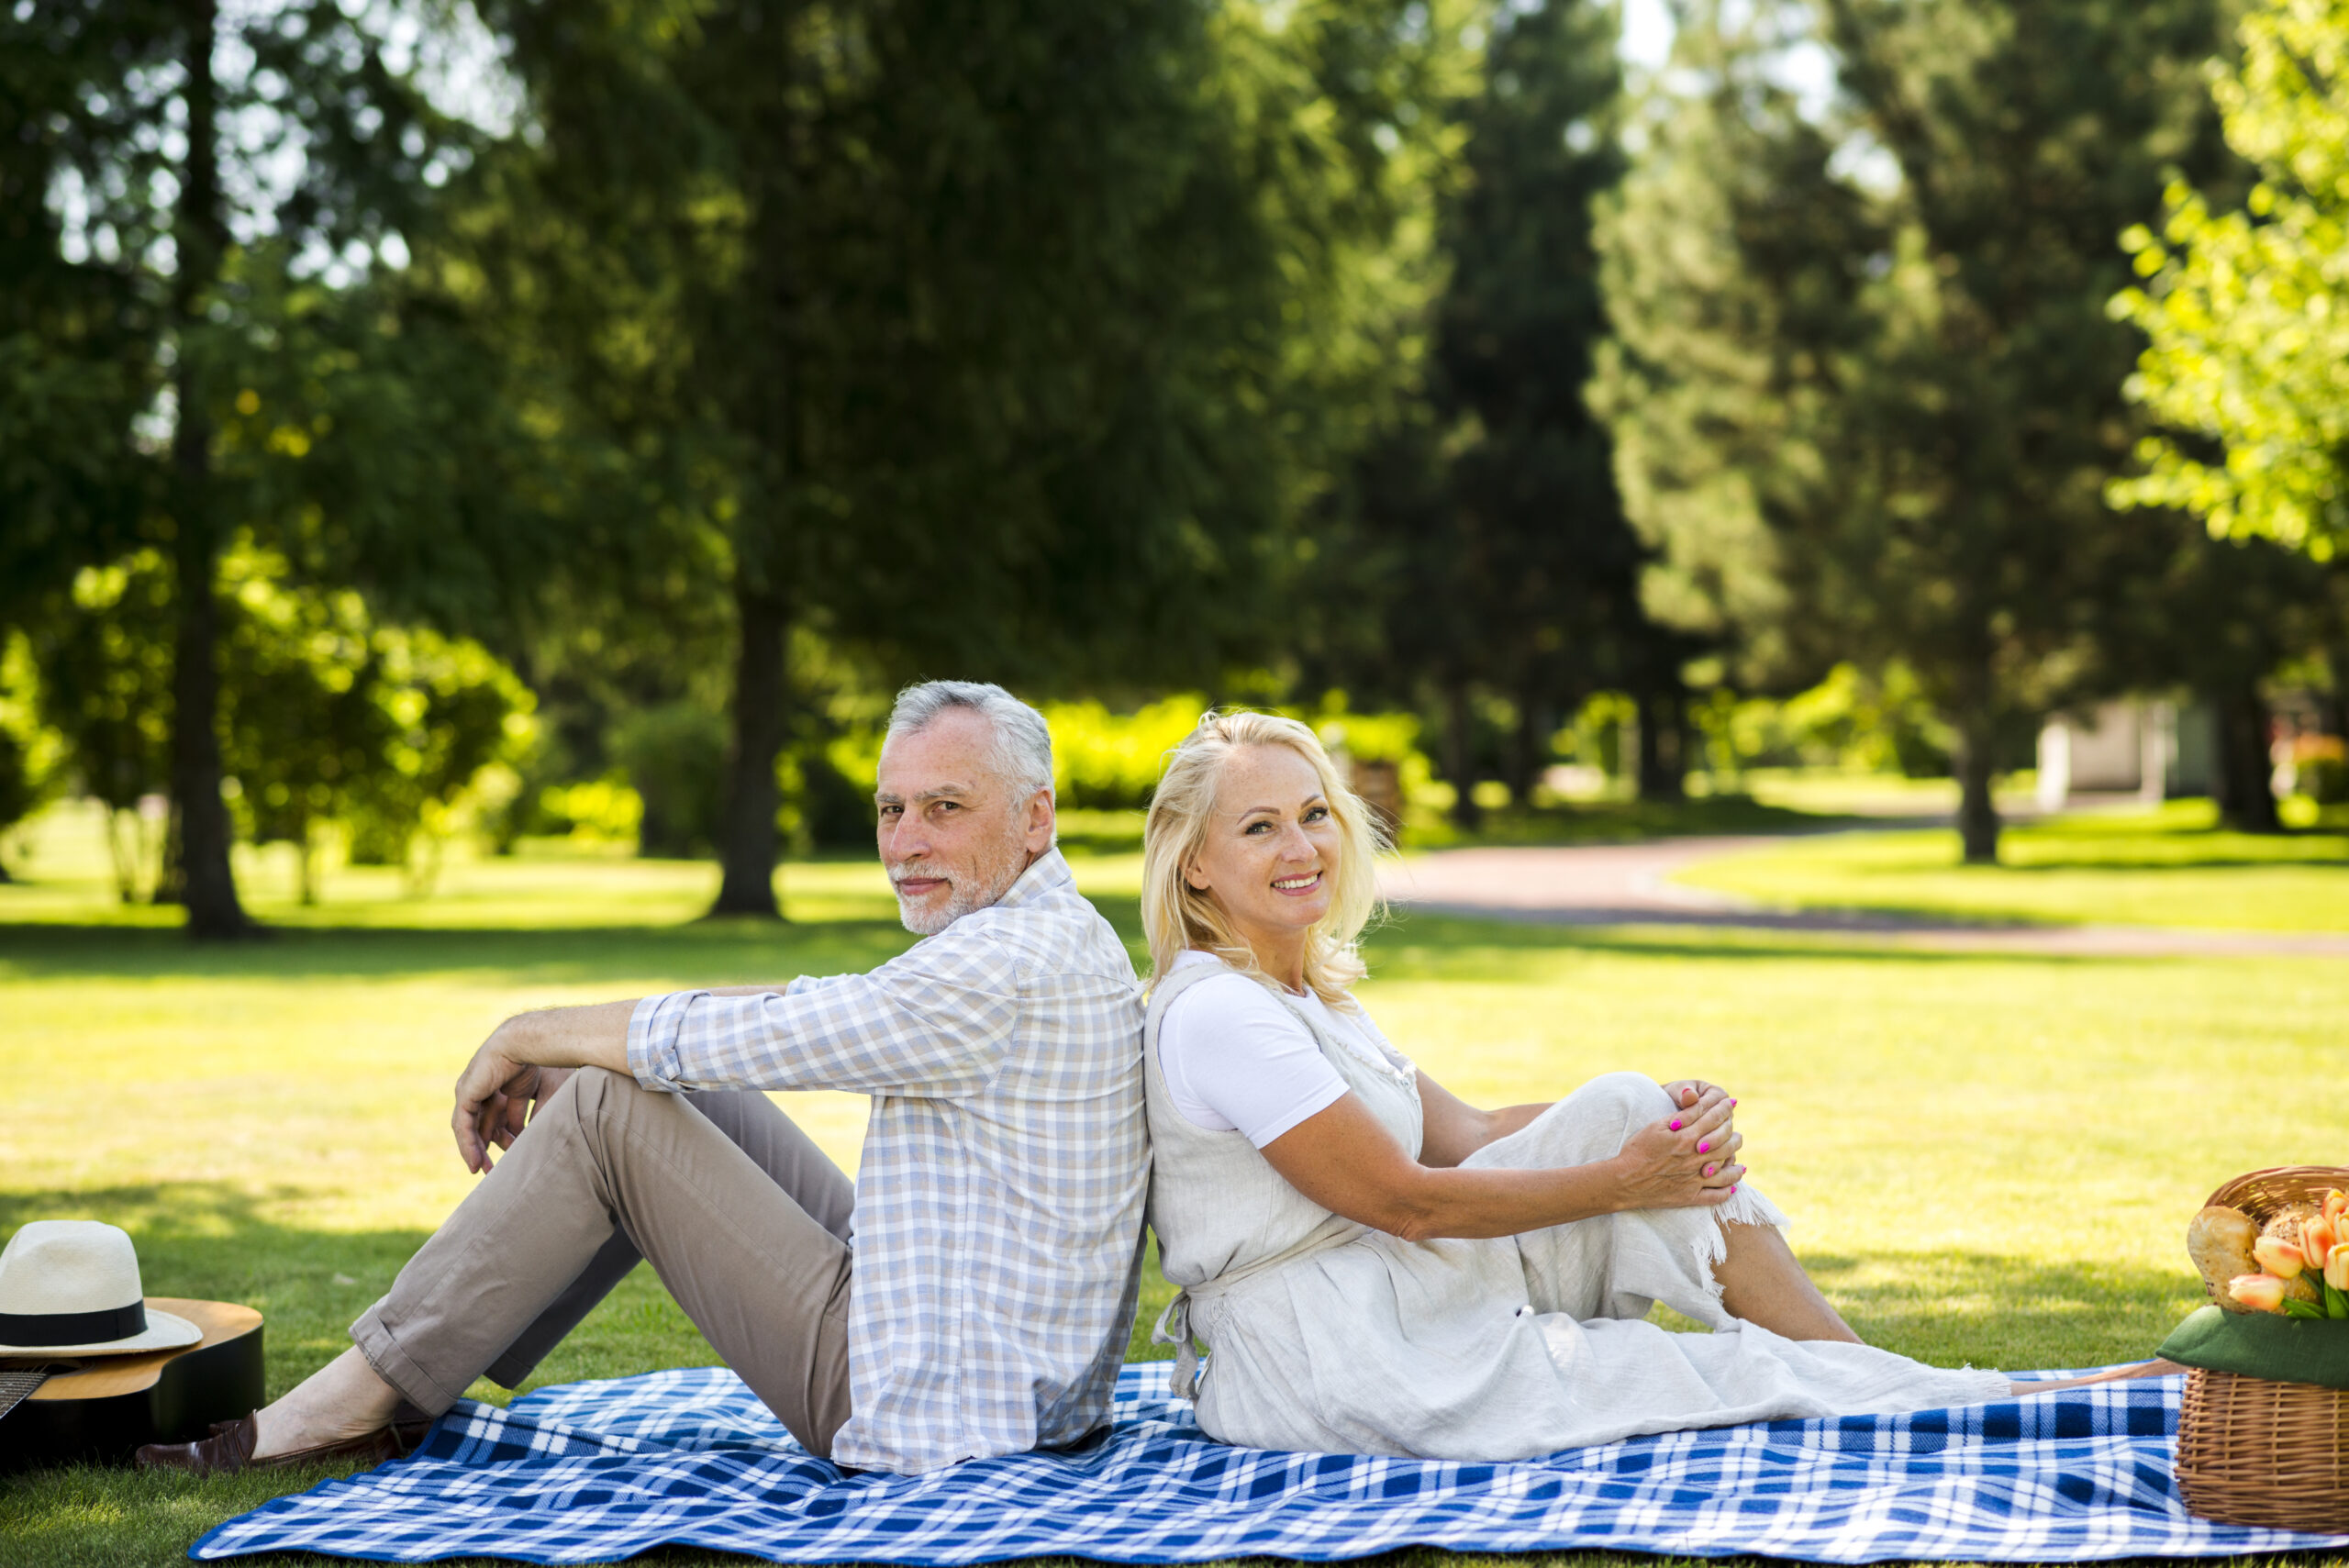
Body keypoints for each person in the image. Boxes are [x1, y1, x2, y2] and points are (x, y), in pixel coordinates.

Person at [140, 681, 1148, 1477]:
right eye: (891, 808)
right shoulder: (1044, 931)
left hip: (931, 1405)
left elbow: (792, 1030)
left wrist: (536, 1029)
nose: (906, 840)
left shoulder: (1000, 965)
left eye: (944, 806)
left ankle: (358, 1399)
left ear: (1035, 818)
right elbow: (809, 1004)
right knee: (663, 1079)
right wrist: (578, 1035)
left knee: (606, 1108)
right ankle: (414, 1377)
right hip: (992, 1358)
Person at [1138, 708, 2173, 1462]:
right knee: (1720, 1377)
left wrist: (1663, 1131)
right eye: (1258, 826)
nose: (1301, 844)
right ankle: (1967, 1399)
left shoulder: (1303, 993)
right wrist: (1625, 1181)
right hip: (1333, 1356)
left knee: (1635, 1099)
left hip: (1403, 1295)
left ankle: (1877, 1374)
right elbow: (1406, 1200)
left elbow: (1469, 1130)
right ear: (1194, 867)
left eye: (1313, 812)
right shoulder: (1222, 1012)